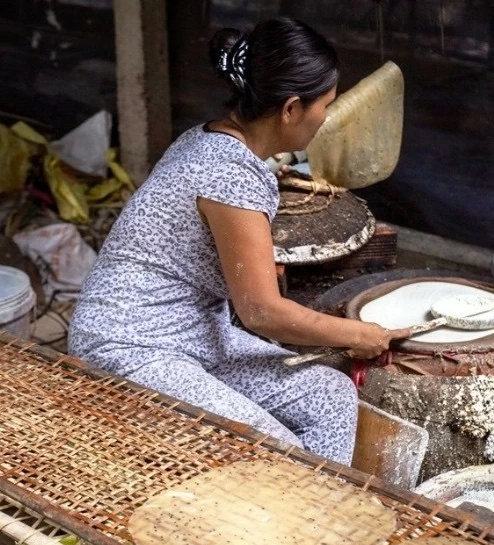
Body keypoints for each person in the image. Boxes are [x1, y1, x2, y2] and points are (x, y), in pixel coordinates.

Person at [69, 17, 409, 465]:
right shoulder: (231, 174)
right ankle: (298, 509)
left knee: (329, 394)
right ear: (290, 109)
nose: (326, 118)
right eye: (323, 105)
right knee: (273, 456)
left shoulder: (211, 137)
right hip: (130, 342)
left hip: (190, 332)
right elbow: (262, 312)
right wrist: (359, 334)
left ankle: (321, 509)